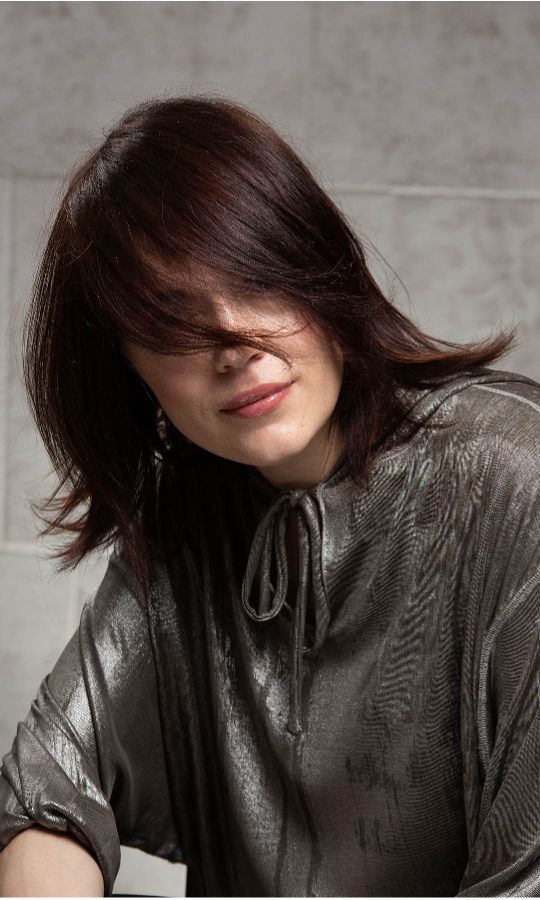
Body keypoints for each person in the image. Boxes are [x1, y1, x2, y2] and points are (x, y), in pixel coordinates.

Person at [0, 93, 539, 898]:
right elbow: (47, 794)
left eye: (256, 278)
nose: (235, 343)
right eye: (172, 320)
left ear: (319, 267)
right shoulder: (192, 526)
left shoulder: (516, 474)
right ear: (127, 368)